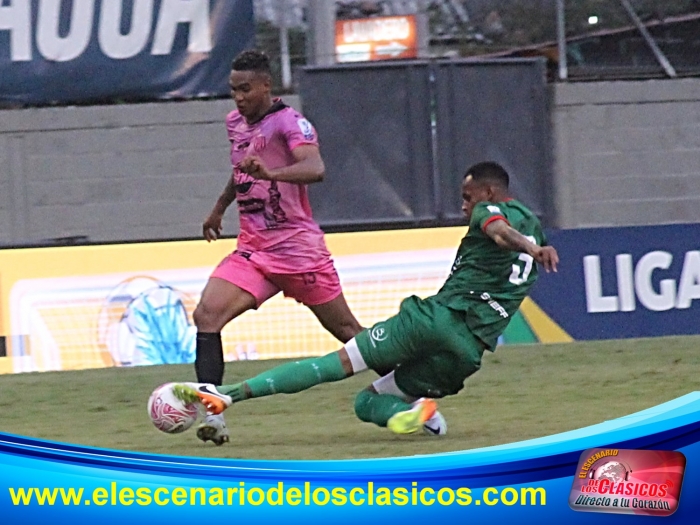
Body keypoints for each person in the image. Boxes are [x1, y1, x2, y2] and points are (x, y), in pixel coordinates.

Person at [178, 161, 559, 436]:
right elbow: (511, 241)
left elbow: (498, 231)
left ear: (489, 193)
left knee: (334, 364)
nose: (464, 206)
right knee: (368, 402)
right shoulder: (535, 227)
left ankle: (228, 395)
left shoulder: (491, 211)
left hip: (435, 319)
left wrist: (527, 246)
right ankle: (411, 415)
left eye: (467, 198)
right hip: (468, 353)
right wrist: (535, 247)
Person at [193, 49, 363, 445]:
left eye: (246, 89)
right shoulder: (234, 123)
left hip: (298, 251)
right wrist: (219, 208)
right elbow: (240, 172)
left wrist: (271, 173)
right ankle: (213, 415)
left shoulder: (291, 123)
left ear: (266, 86)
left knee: (348, 332)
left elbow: (315, 168)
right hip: (254, 249)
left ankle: (411, 392)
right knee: (207, 314)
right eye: (233, 90)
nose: (238, 98)